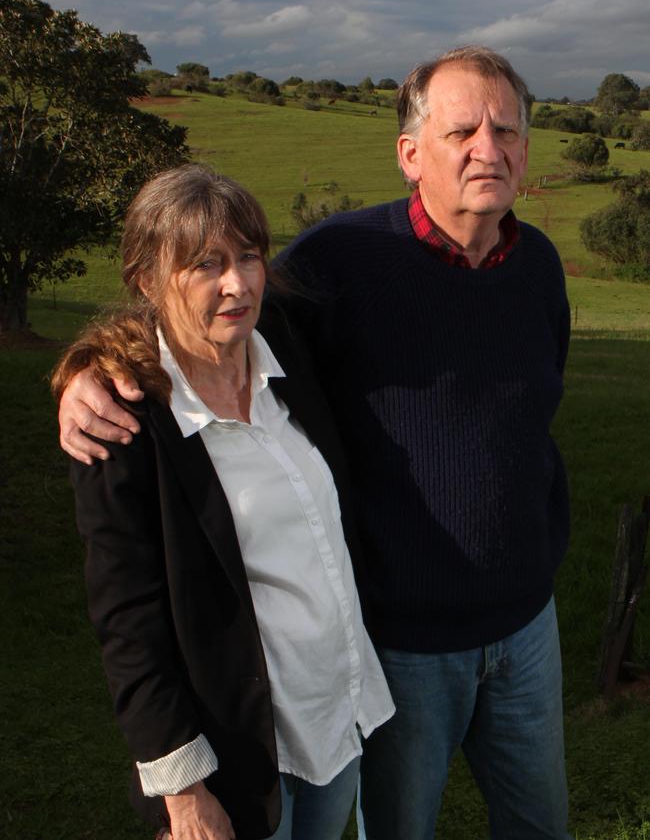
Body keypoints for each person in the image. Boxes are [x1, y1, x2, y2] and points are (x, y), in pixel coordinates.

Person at [57, 46, 572, 840]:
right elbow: (201, 309)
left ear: (527, 150)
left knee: (541, 827)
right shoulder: (343, 261)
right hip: (402, 646)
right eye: (462, 129)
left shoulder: (539, 267)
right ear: (409, 153)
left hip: (526, 629)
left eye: (506, 130)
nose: (488, 148)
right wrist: (86, 369)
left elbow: (537, 416)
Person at [52, 164, 394, 840]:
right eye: (205, 265)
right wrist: (182, 793)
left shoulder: (284, 352)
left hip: (335, 718)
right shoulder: (127, 428)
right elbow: (129, 628)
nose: (237, 283)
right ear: (148, 280)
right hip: (243, 756)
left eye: (248, 257)